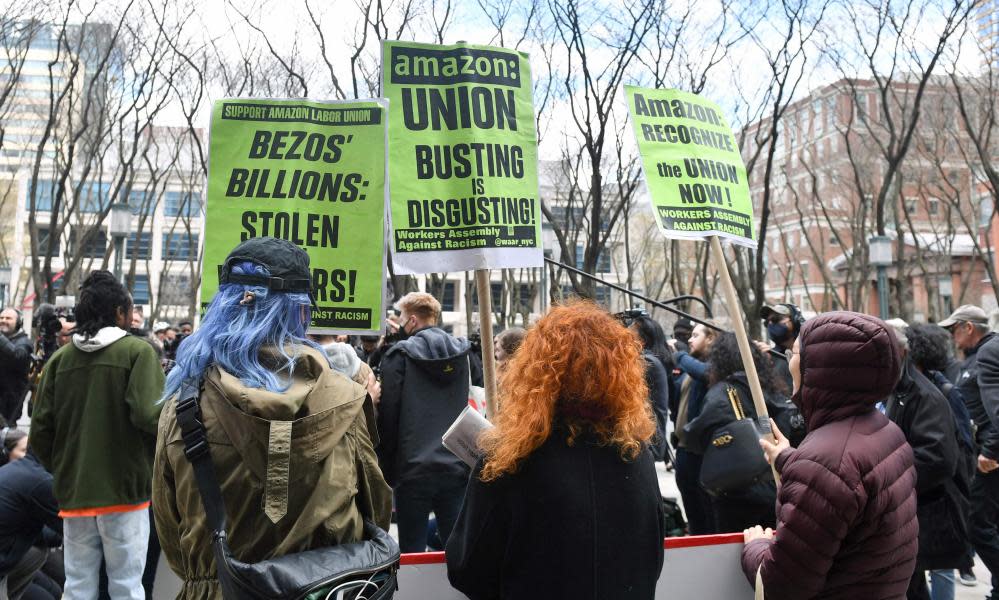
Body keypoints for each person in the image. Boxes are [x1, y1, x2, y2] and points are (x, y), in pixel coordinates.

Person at [153, 237, 392, 599]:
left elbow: (171, 533)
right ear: (300, 312)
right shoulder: (346, 399)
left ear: (225, 306)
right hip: (323, 590)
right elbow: (376, 515)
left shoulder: (182, 405)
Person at [446, 302, 665, 600]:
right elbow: (652, 561)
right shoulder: (637, 454)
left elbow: (467, 569)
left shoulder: (512, 458)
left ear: (535, 370)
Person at [742, 311, 917, 598]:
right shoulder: (886, 431)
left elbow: (784, 586)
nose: (790, 364)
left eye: (795, 353)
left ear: (821, 368)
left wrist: (755, 548)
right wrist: (788, 459)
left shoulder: (826, 460)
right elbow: (846, 492)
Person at [30, 271, 164, 600]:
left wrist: (64, 470)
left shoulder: (60, 360)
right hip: (125, 491)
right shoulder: (138, 352)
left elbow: (40, 431)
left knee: (76, 585)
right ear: (119, 312)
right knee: (126, 585)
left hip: (75, 492)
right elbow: (150, 416)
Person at [376, 292, 476, 553]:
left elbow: (388, 415)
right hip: (457, 464)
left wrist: (388, 467)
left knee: (411, 552)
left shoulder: (399, 356)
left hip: (412, 469)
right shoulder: (463, 353)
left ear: (411, 320)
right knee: (457, 552)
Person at [883, 320, 962, 600]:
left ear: (901, 354)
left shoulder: (924, 395)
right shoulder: (896, 390)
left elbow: (937, 458)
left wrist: (885, 479)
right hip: (904, 512)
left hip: (921, 511)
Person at [684, 333, 782, 532]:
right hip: (775, 485)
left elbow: (697, 433)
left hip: (738, 493)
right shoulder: (772, 389)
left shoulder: (722, 392)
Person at [908, 323, 977, 600]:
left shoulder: (942, 392)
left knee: (941, 567)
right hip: (924, 497)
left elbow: (963, 447)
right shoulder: (909, 390)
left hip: (941, 497)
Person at [939, 304, 999, 599]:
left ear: (968, 327)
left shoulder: (987, 353)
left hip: (990, 457)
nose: (951, 336)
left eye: (953, 329)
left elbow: (996, 409)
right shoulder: (983, 353)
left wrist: (990, 450)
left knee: (978, 527)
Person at [668, 322, 718, 534]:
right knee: (690, 502)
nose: (689, 339)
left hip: (701, 451)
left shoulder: (714, 366)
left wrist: (680, 355)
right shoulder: (691, 367)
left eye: (696, 335)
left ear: (710, 338)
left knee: (704, 507)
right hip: (684, 448)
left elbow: (706, 374)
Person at [0, 436, 62, 600]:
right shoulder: (39, 481)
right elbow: (73, 527)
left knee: (38, 553)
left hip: (9, 561)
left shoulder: (15, 472)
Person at [631, 316, 674, 463]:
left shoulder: (648, 362)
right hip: (650, 436)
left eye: (631, 335)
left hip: (649, 438)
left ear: (642, 340)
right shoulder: (653, 360)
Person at [759, 303, 804, 394]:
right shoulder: (769, 356)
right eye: (767, 322)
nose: (770, 323)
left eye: (776, 319)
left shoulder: (813, 351)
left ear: (795, 321)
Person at [0, 308, 33, 425]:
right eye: (1, 318)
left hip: (8, 408)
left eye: (8, 318)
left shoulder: (24, 342)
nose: (3, 320)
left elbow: (17, 356)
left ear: (19, 323)